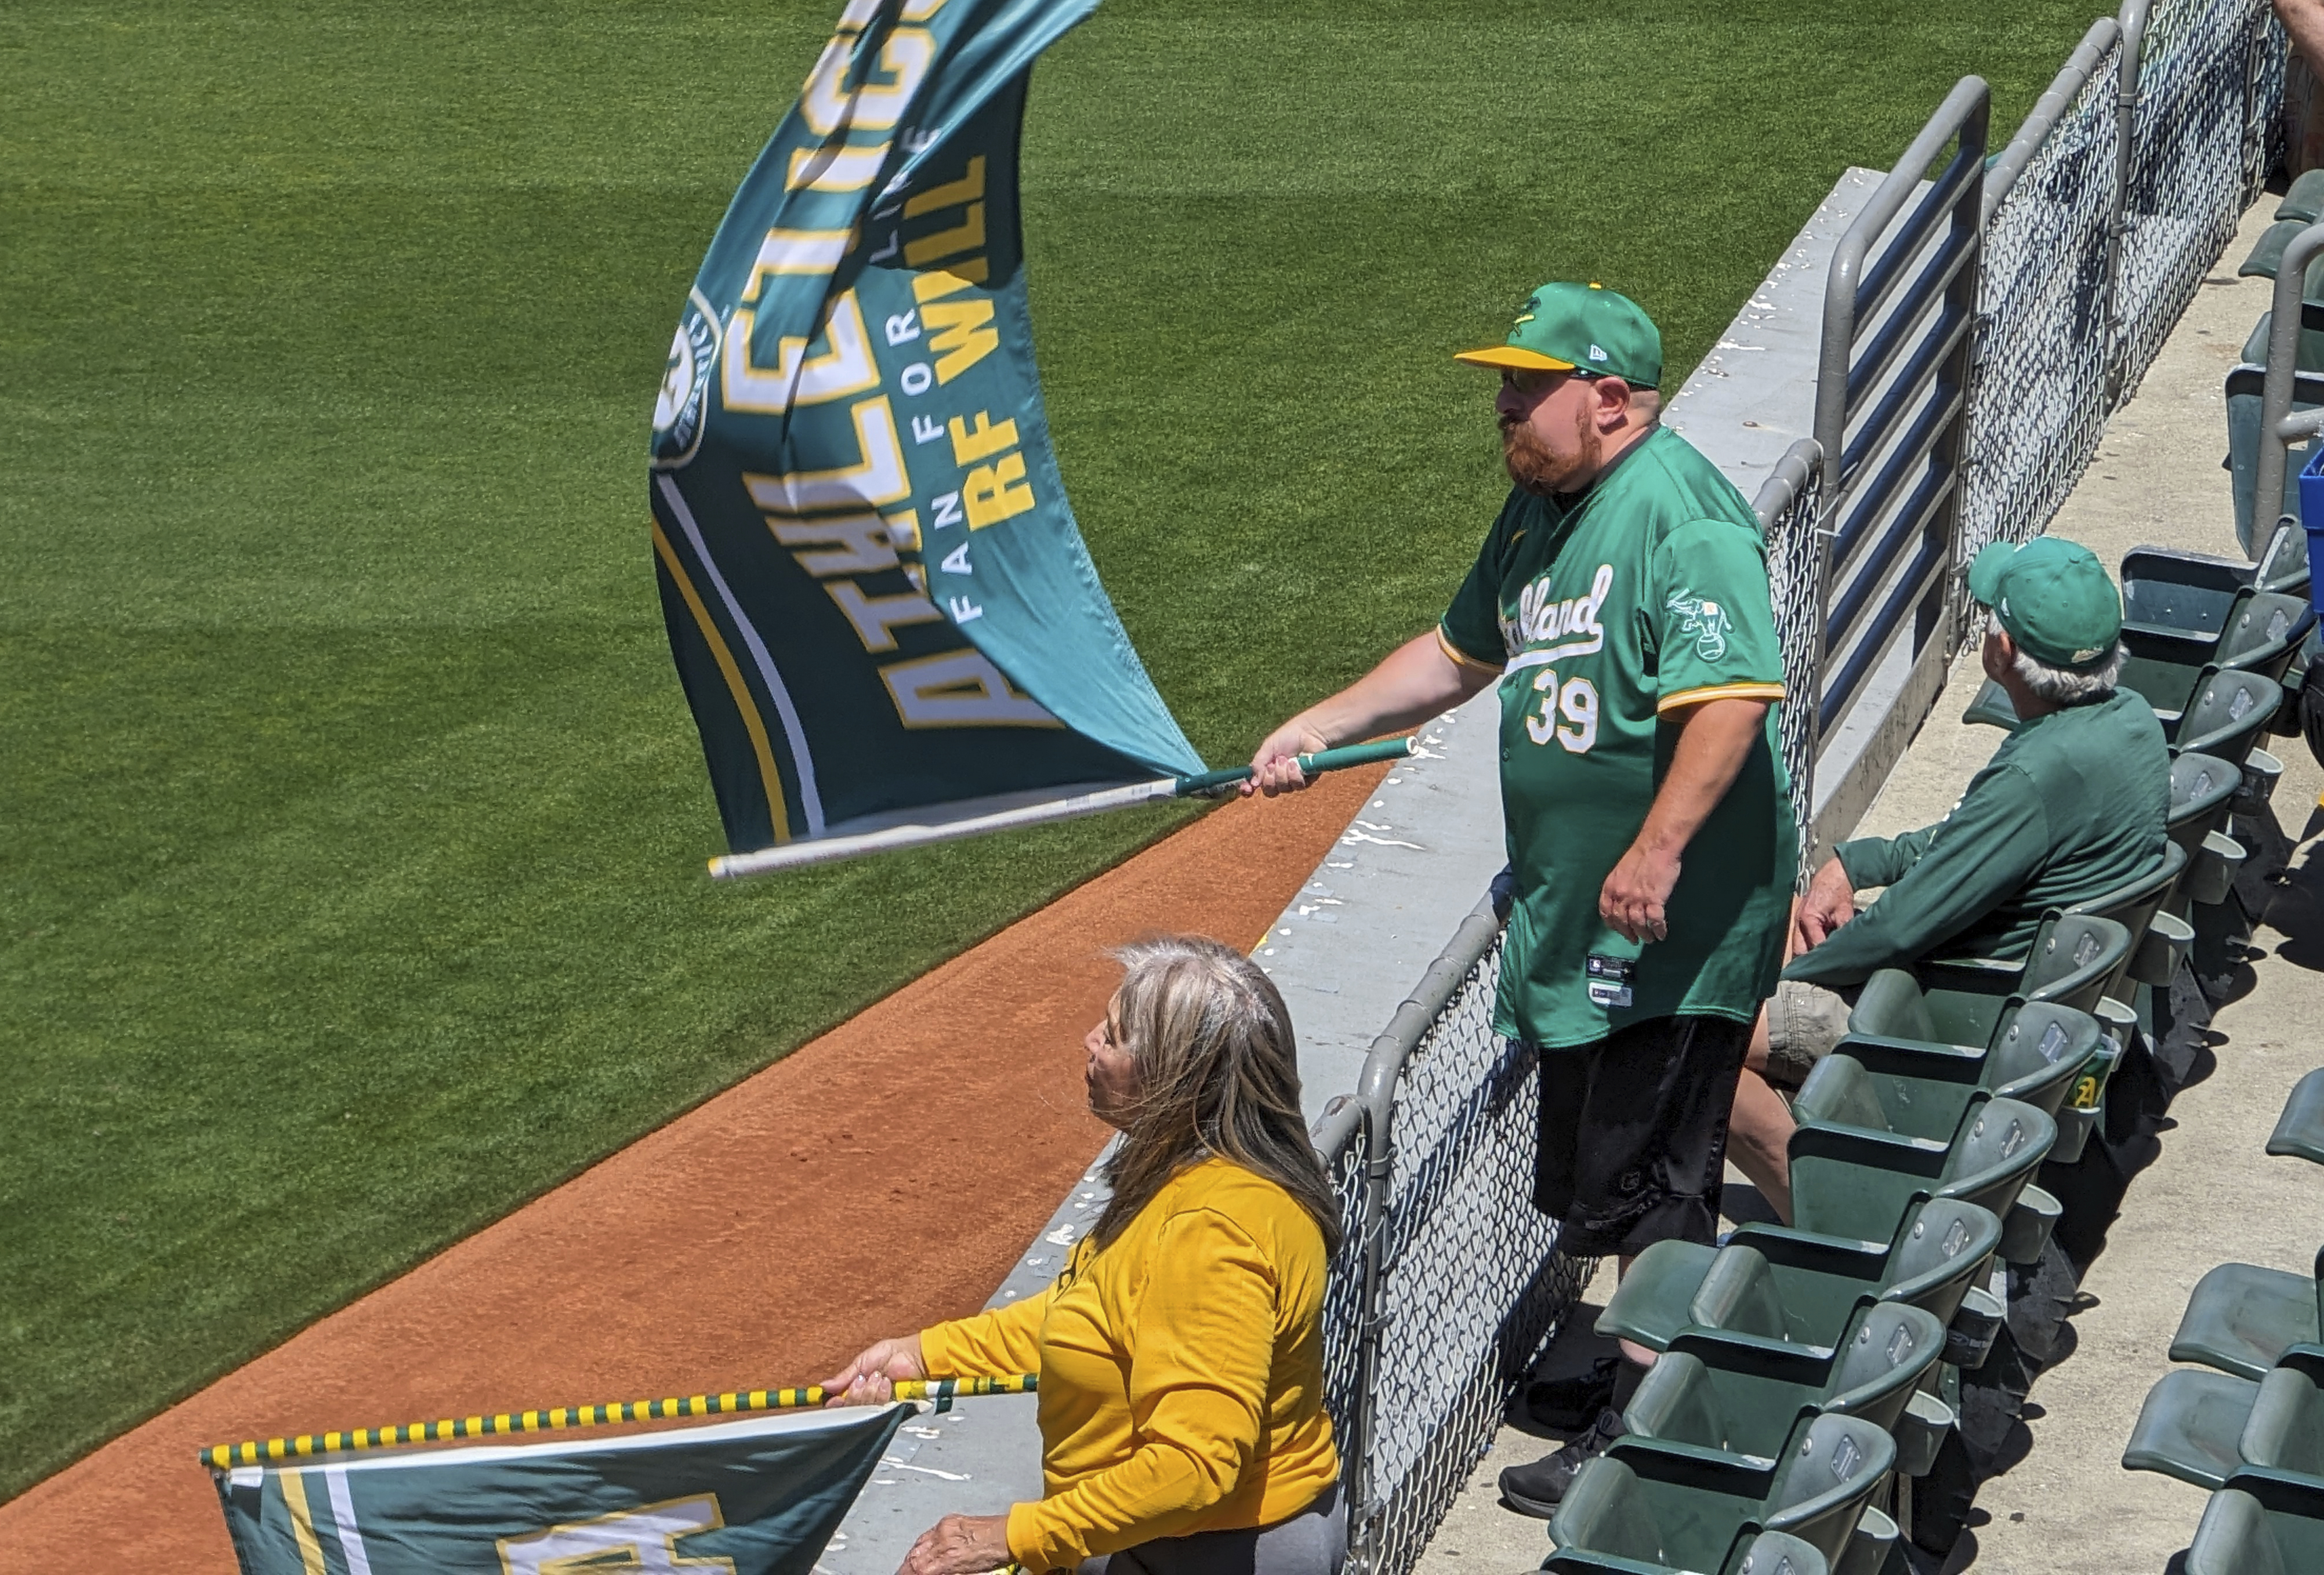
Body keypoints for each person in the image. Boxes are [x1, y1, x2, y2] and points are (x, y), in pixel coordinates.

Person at [1243, 282, 1796, 1518]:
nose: (1500, 403)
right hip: (1588, 920)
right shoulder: (1541, 511)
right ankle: (1770, 1304)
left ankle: (1647, 1426)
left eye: (1523, 385)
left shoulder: (1681, 515)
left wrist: (1654, 854)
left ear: (1607, 399)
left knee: (1659, 1192)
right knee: (1656, 1153)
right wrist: (1317, 726)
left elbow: (1733, 699)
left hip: (1674, 921)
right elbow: (1457, 654)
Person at [824, 937, 1347, 1575]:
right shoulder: (1200, 1175)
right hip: (1167, 1542)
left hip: (1198, 1552)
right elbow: (1095, 1317)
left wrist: (1012, 1537)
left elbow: (1194, 1467)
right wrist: (924, 1355)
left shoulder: (1211, 1236)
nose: (1090, 1038)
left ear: (1176, 1079)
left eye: (1117, 1037)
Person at [1727, 536, 2172, 1221]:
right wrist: (1861, 862)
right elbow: (1968, 842)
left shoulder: (2035, 776)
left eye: (1992, 616)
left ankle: (1840, 1229)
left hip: (1954, 1017)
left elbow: (1904, 926)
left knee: (1701, 1040)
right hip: (2027, 998)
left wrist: (1797, 977)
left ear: (2004, 655)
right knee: (1784, 912)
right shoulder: (2130, 721)